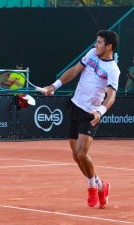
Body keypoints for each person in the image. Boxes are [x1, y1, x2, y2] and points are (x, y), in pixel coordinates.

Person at [44, 30, 120, 209]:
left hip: (91, 113)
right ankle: (102, 185)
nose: (96, 45)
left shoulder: (113, 70)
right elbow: (75, 71)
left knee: (81, 153)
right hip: (76, 106)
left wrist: (100, 111)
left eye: (99, 42)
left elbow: (111, 96)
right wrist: (54, 86)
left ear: (109, 47)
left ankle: (92, 187)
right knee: (75, 156)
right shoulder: (92, 54)